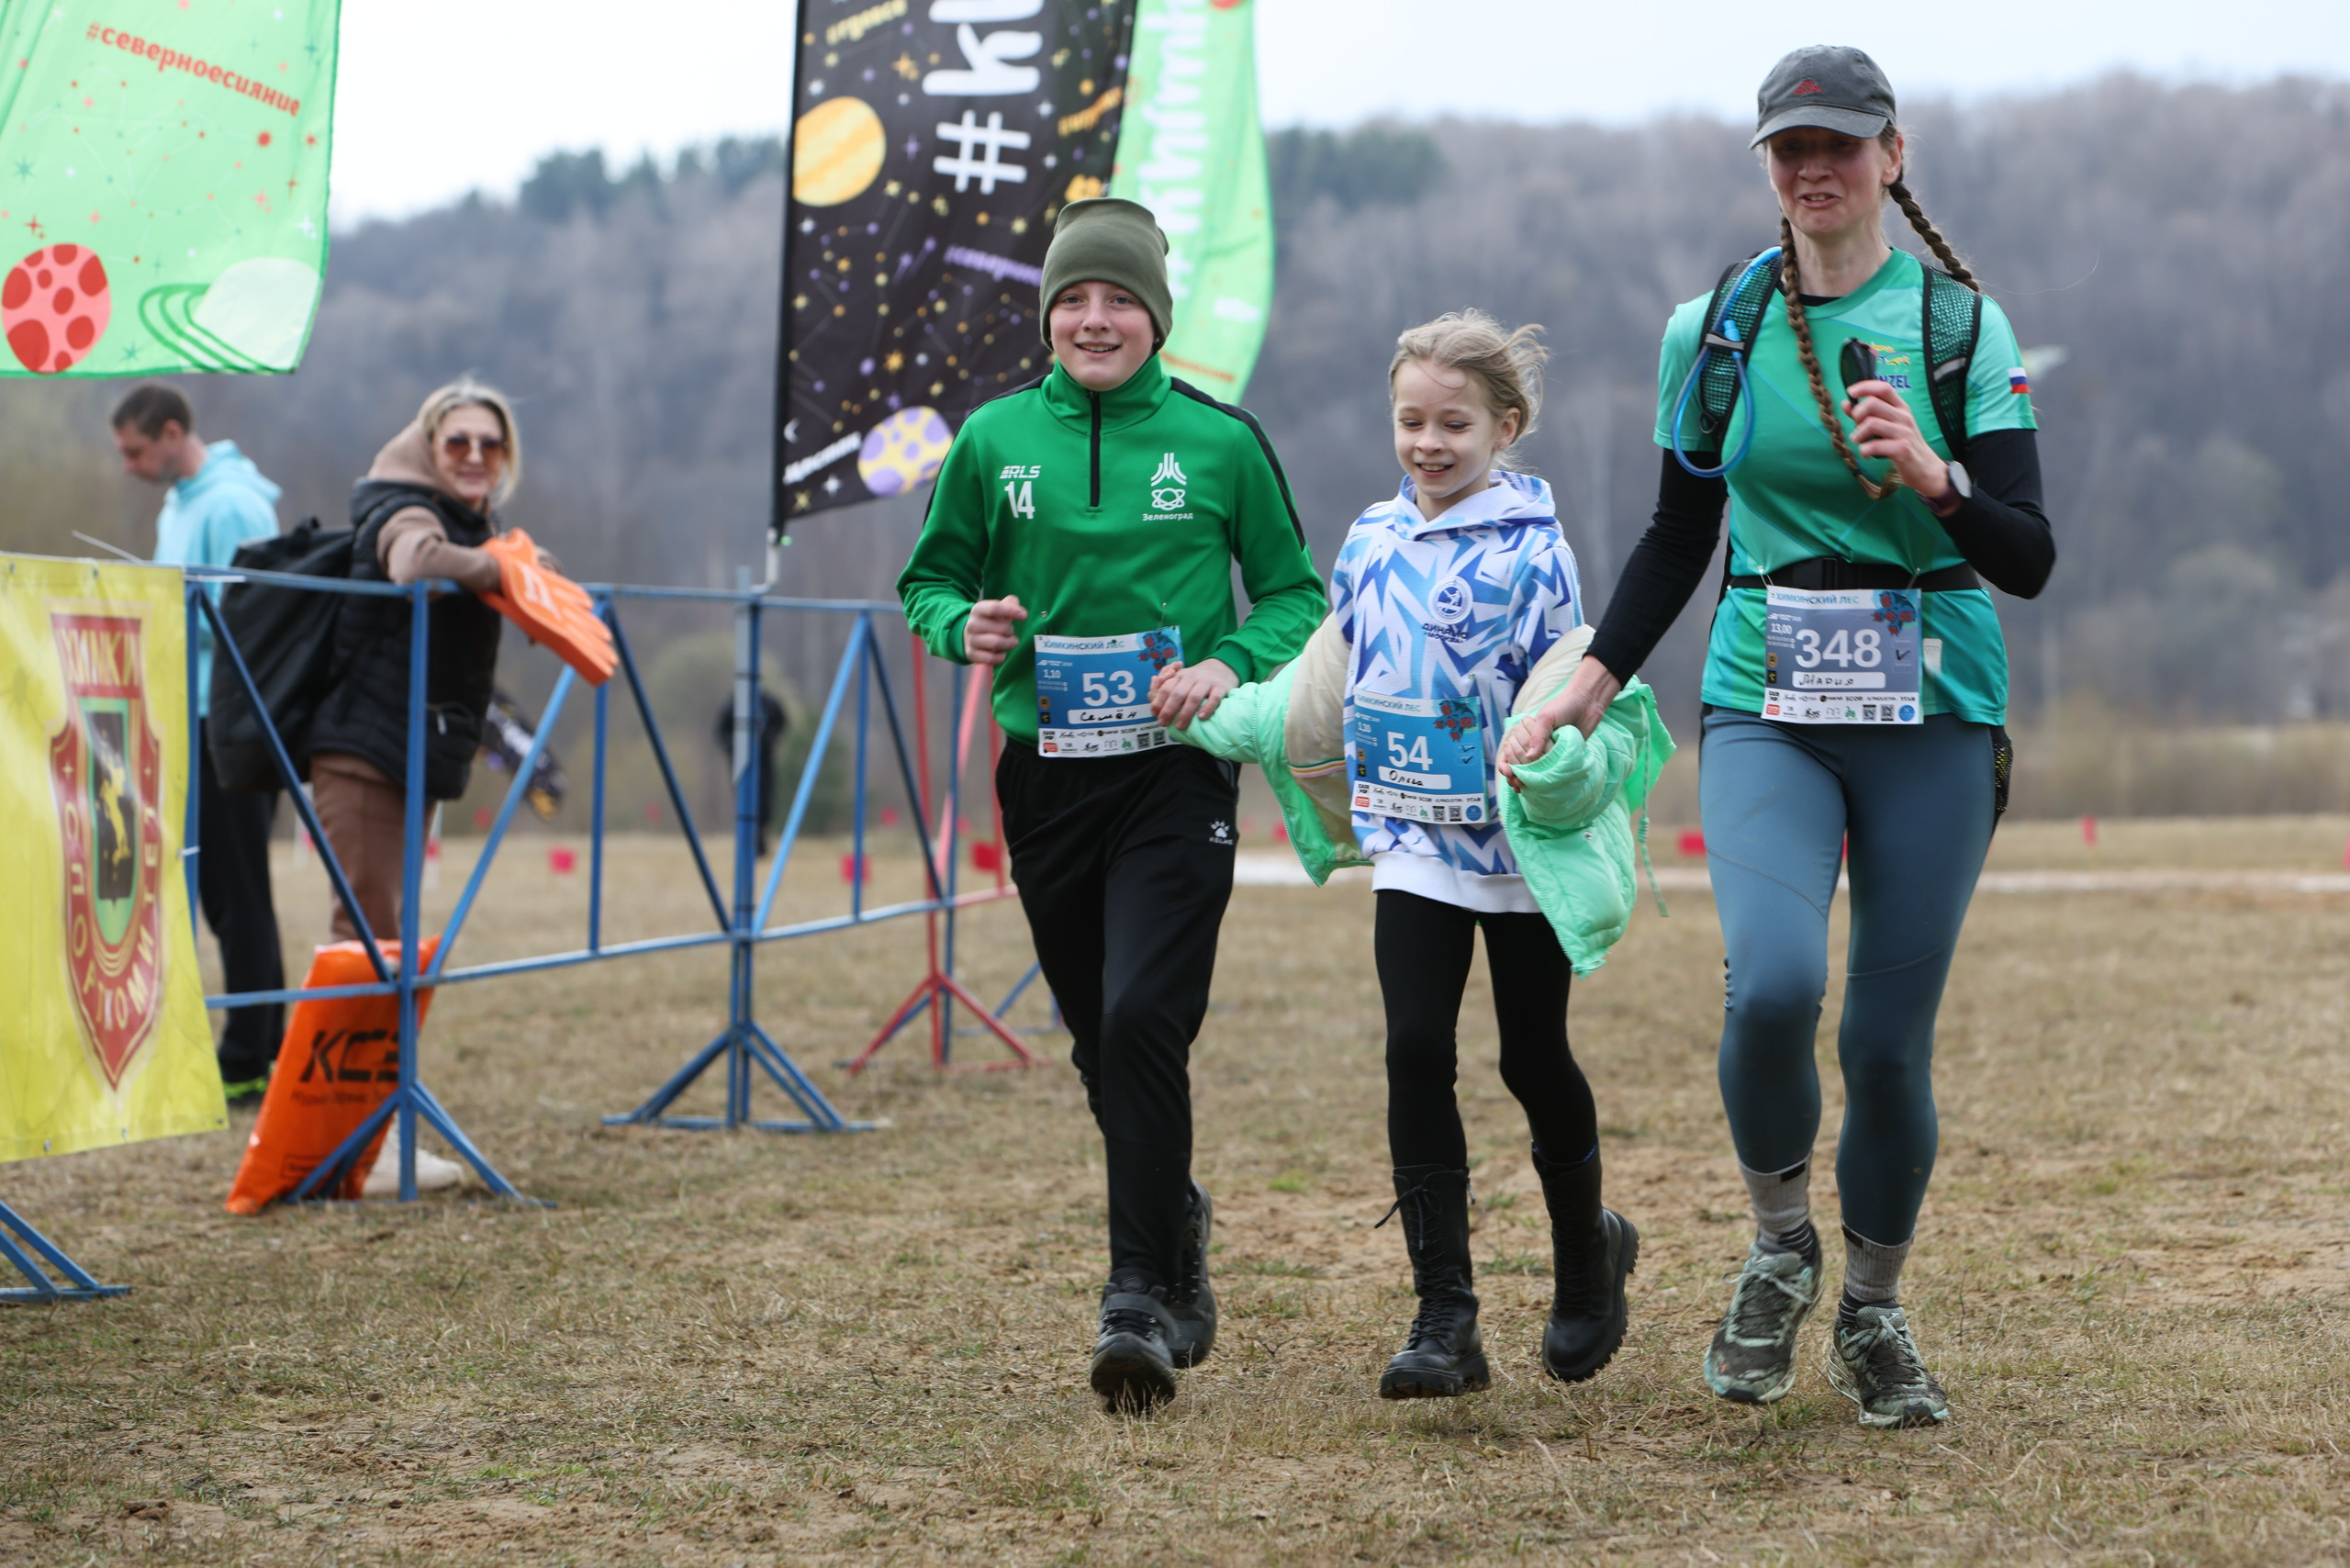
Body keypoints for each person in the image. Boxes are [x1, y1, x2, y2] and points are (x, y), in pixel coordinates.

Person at [1501, 46, 2054, 1428]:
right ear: (1766, 164)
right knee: (1769, 989)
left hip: (1934, 703)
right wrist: (1596, 673)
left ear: (1893, 156)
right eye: (1790, 147)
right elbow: (1680, 527)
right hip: (1768, 697)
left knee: (1882, 1041)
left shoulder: (1959, 327)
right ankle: (1778, 1248)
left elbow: (2031, 555)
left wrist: (1935, 477)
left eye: (1842, 145)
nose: (1816, 169)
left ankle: (1873, 1307)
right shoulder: (1720, 326)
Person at [898, 197, 1325, 1411]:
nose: (1096, 319)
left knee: (1144, 1014)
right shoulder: (990, 441)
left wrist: (1228, 666)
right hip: (1046, 777)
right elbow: (929, 581)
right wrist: (960, 625)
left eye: (1120, 299)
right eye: (1075, 300)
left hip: (1174, 771)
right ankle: (1176, 1217)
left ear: (1156, 317)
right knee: (1101, 1036)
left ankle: (1136, 1294)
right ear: (1048, 316)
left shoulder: (1223, 443)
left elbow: (1294, 596)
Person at [1260, 313, 1639, 1399]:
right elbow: (1331, 673)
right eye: (1409, 420)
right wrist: (1281, 733)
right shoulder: (1368, 539)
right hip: (1412, 844)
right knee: (1415, 1047)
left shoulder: (1537, 549)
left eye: (1453, 423)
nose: (1428, 442)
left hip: (1514, 850)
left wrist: (1545, 751)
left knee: (1531, 1060)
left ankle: (1585, 1260)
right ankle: (1444, 1316)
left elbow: (1567, 681)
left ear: (1503, 426)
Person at [113, 384, 288, 1105]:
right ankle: (220, 1042)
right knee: (207, 891)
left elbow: (256, 618)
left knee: (240, 892)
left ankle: (252, 1055)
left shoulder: (234, 505)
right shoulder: (179, 504)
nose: (127, 466)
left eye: (135, 450)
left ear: (172, 431)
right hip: (186, 718)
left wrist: (166, 615)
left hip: (233, 723)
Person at [305, 380, 527, 946]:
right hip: (364, 756)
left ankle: (392, 1039)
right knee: (366, 938)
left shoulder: (471, 526)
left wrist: (520, 564)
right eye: (458, 443)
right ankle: (345, 1039)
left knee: (387, 937)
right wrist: (507, 571)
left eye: (491, 445)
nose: (475, 456)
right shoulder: (406, 510)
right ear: (429, 447)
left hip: (412, 748)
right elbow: (416, 563)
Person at [712, 689, 789, 856]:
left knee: (765, 804)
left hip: (764, 761)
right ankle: (748, 844)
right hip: (740, 763)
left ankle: (760, 843)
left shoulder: (768, 704)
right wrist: (733, 746)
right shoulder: (733, 704)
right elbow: (721, 732)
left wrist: (769, 739)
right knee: (745, 803)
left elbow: (782, 724)